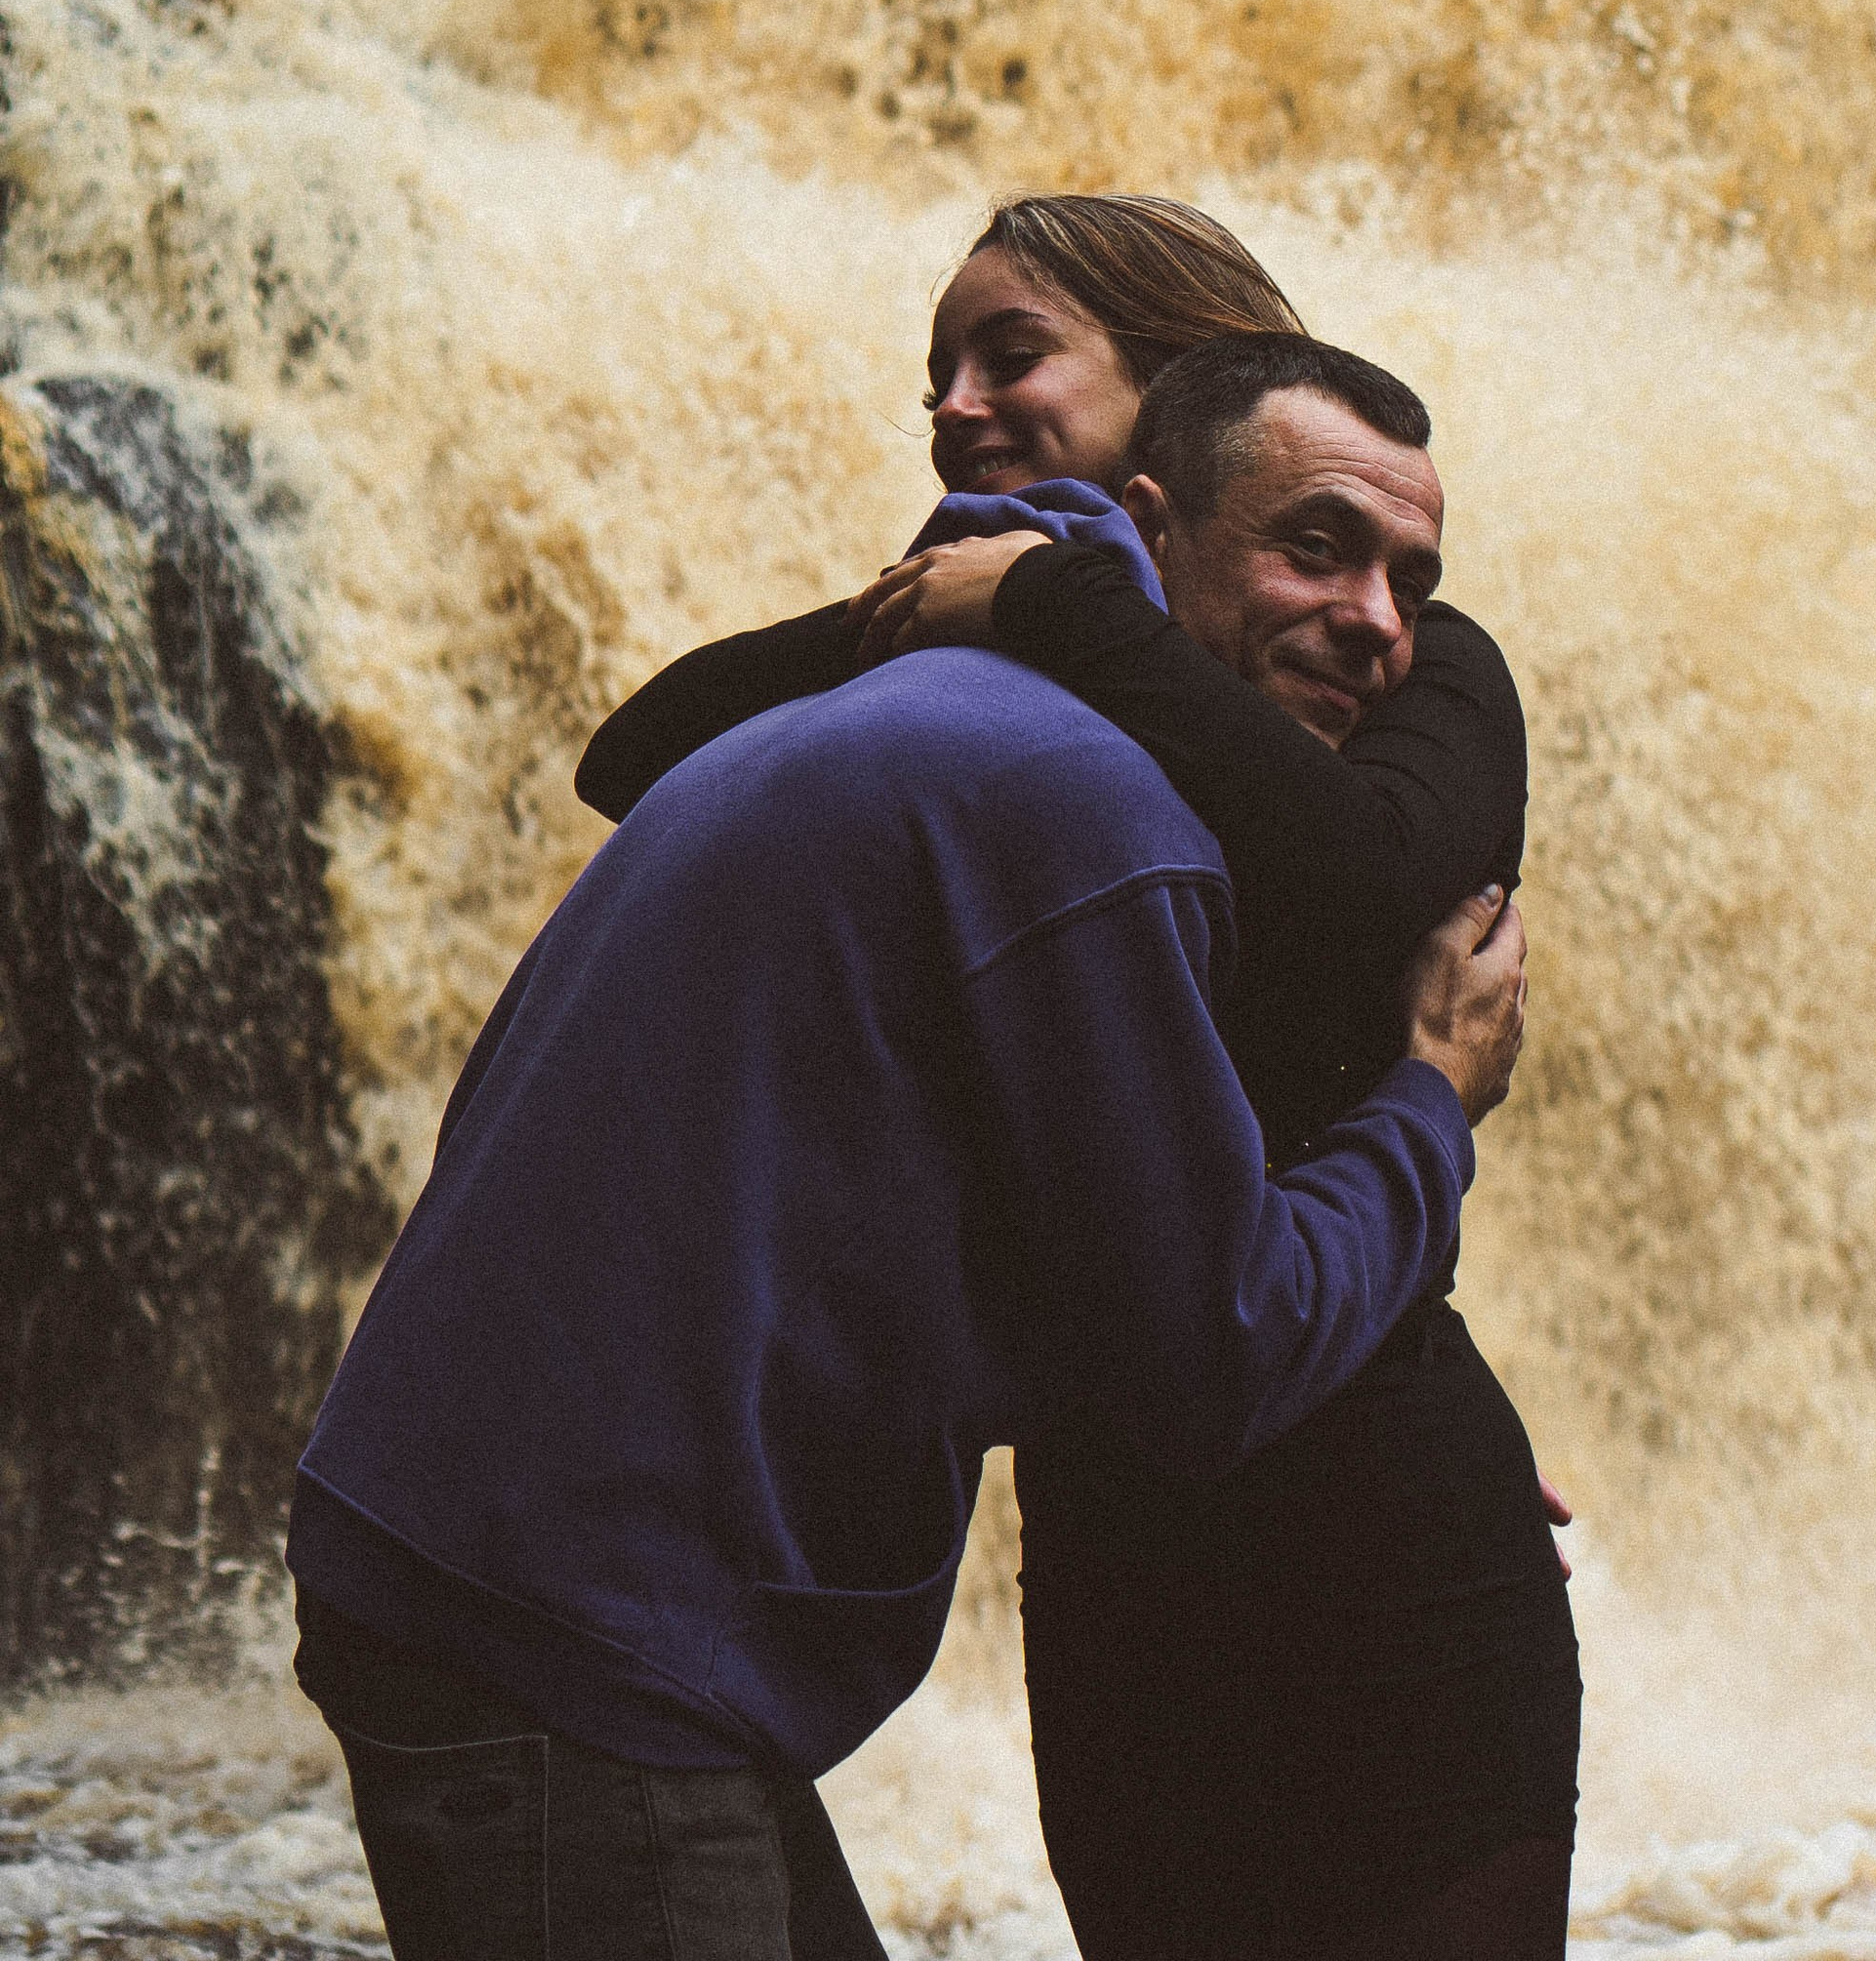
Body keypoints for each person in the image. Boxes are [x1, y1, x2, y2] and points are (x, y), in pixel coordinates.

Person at [287, 388, 1530, 1961]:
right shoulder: (1090, 813)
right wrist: (1432, 1103)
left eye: (1406, 582)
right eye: (1311, 549)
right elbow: (1215, 1349)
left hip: (522, 1567)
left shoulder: (938, 712)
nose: (1376, 625)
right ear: (1147, 526)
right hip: (573, 1626)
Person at [580, 197, 1580, 1960]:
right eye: (941, 374)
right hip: (1125, 1552)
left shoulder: (1424, 670)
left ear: (1191, 387)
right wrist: (994, 607)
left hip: (1389, 1532)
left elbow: (1350, 871)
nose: (957, 406)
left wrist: (1050, 594)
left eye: (1014, 354)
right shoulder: (1007, 680)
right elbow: (640, 752)